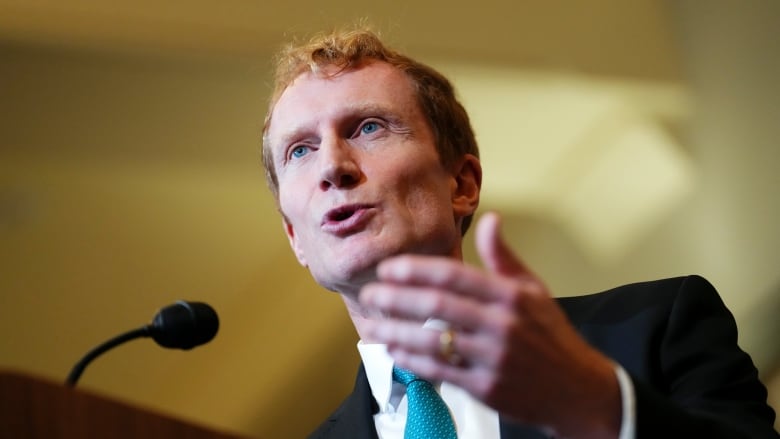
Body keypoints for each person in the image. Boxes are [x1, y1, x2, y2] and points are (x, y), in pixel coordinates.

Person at [260, 27, 778, 439]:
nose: (332, 166)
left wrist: (594, 407)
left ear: (461, 183)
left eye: (368, 127)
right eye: (299, 150)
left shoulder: (658, 327)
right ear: (294, 238)